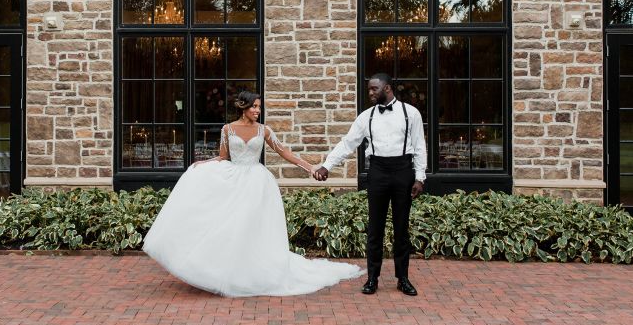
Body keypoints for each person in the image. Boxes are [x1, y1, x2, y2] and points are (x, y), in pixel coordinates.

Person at [143, 91, 363, 297]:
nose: (258, 110)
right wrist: (204, 163)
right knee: (231, 226)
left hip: (257, 183)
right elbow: (223, 157)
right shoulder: (227, 130)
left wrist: (311, 168)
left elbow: (284, 152)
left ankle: (256, 272)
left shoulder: (263, 130)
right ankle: (230, 271)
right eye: (254, 106)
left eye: (259, 107)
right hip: (234, 181)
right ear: (244, 107)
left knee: (252, 227)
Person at [313, 73, 427, 296]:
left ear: (387, 88)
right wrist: (327, 165)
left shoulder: (410, 113)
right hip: (377, 172)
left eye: (374, 89)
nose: (371, 93)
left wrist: (419, 177)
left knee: (401, 228)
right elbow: (348, 143)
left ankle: (402, 278)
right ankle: (372, 278)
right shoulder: (366, 117)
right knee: (375, 229)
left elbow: (420, 146)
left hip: (403, 171)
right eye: (369, 89)